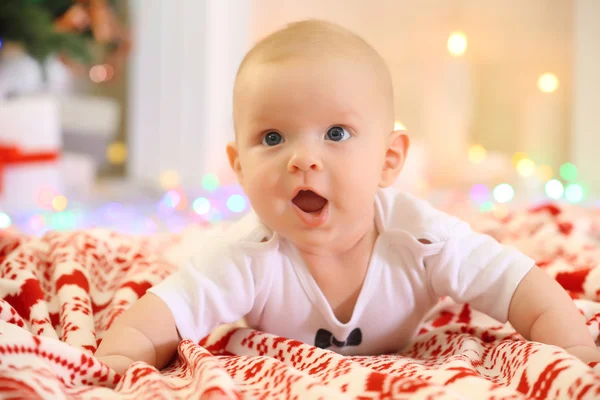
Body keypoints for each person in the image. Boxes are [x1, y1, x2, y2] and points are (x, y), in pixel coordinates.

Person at [95, 20, 600, 375]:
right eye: (273, 138)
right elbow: (160, 316)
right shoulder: (247, 255)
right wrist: (118, 361)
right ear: (240, 168)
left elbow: (518, 285)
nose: (303, 159)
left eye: (336, 133)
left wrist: (573, 345)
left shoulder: (421, 236)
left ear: (388, 159)